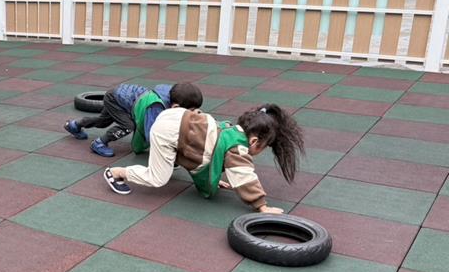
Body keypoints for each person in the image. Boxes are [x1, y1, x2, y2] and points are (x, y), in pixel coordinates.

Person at [103, 104, 303, 215]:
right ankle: (116, 173)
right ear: (254, 141)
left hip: (175, 115)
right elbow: (244, 176)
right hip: (168, 131)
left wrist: (214, 179)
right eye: (264, 147)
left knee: (189, 152)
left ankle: (162, 159)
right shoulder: (238, 148)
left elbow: (205, 159)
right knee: (157, 178)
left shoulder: (228, 129)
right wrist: (262, 205)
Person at [64, 82, 203, 158]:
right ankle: (99, 143)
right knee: (128, 126)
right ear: (176, 106)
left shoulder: (174, 94)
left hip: (119, 95)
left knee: (102, 122)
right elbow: (150, 134)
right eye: (189, 111)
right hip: (115, 99)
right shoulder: (155, 106)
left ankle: (74, 125)